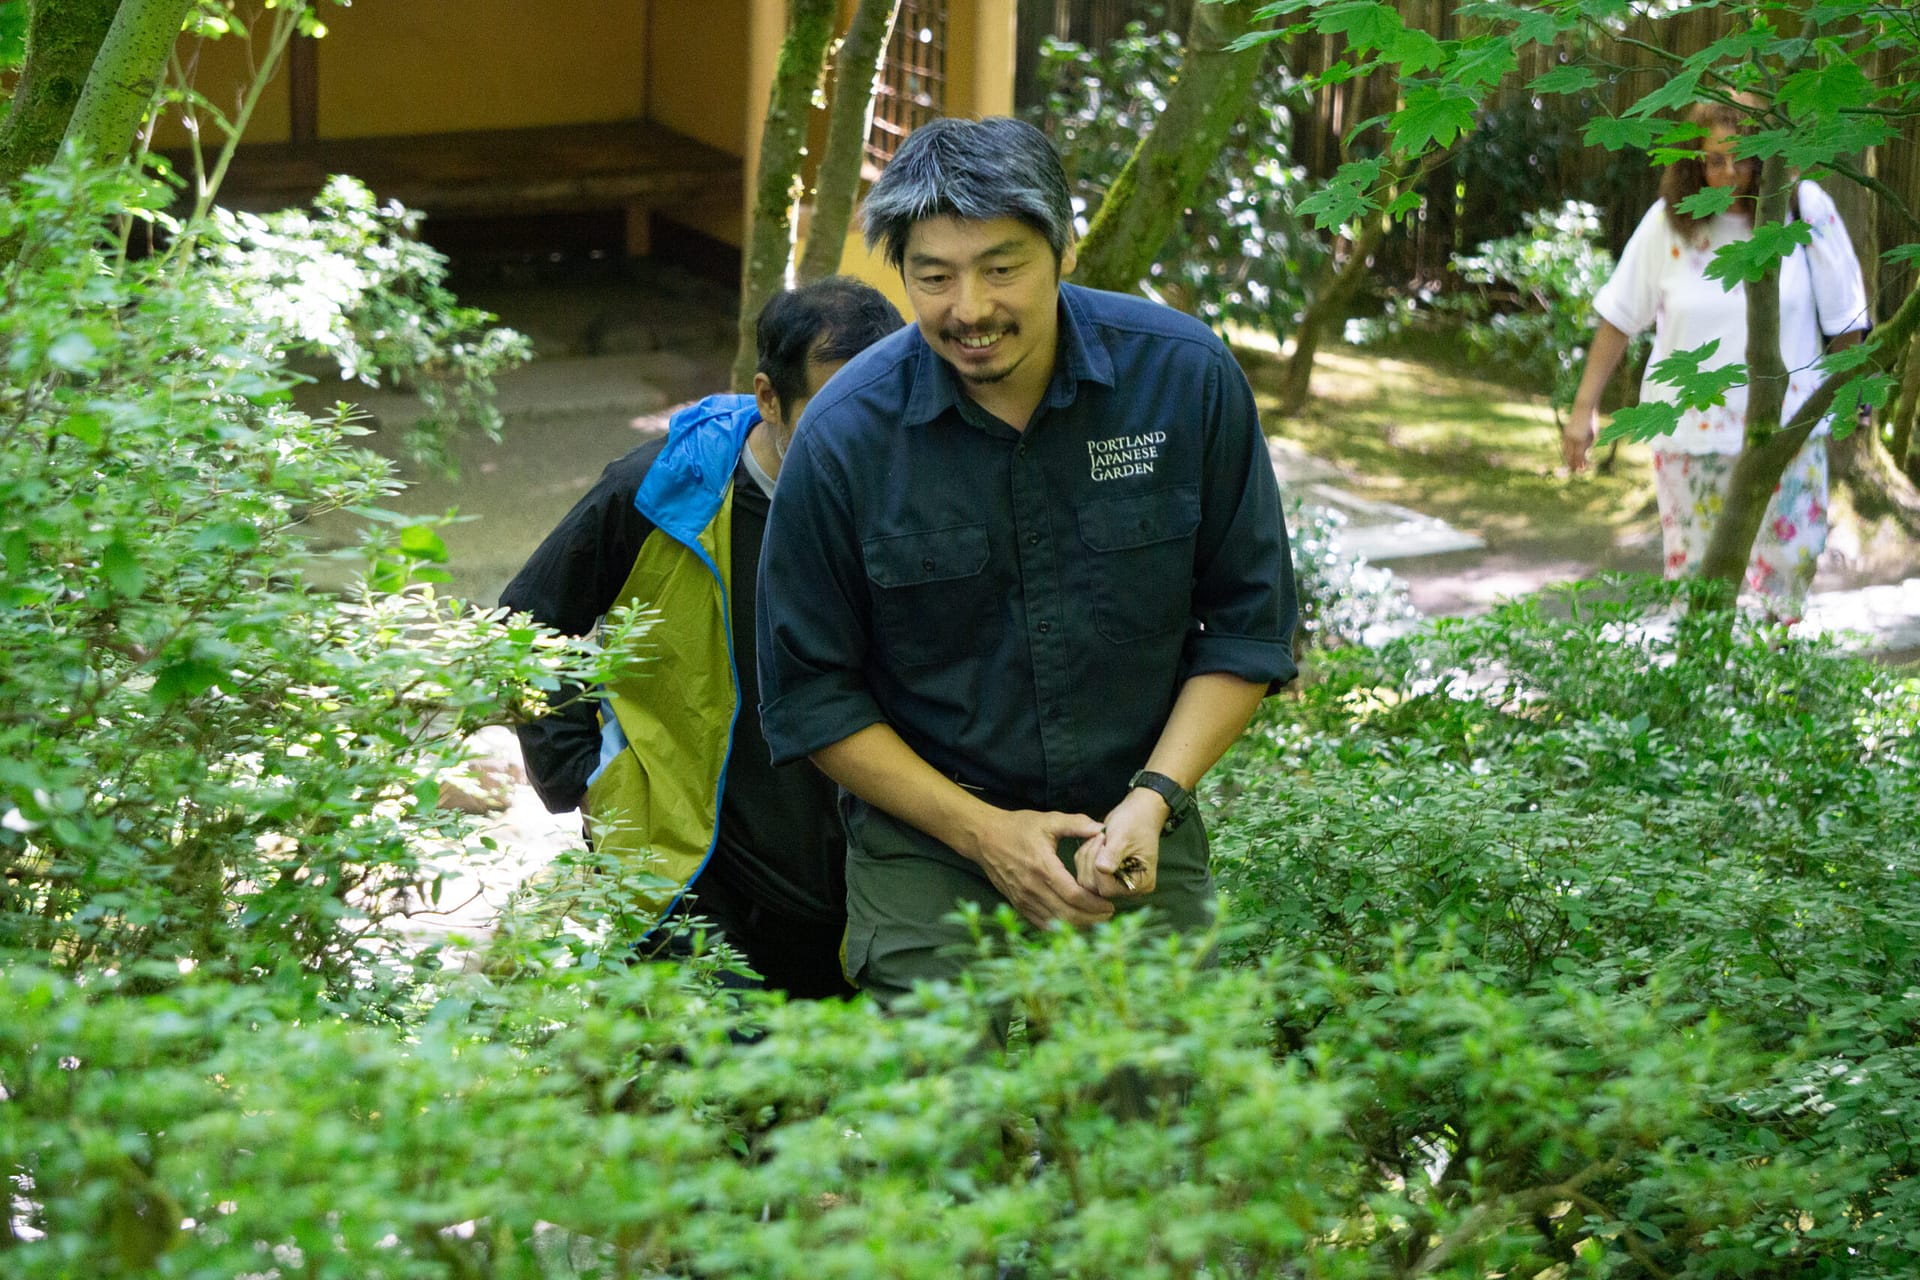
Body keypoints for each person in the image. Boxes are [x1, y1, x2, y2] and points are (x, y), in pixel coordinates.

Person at [755, 117, 1299, 1005]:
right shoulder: (844, 437)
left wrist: (1155, 798)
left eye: (1002, 267)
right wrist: (983, 835)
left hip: (1133, 821)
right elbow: (811, 694)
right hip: (927, 836)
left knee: (1155, 1121)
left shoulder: (1186, 379)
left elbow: (1249, 627)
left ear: (1065, 249)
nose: (969, 308)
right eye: (933, 277)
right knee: (938, 1119)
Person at [500, 277, 902, 999]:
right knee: (714, 1090)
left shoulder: (922, 492)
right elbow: (526, 627)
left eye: (881, 410)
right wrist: (589, 783)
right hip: (693, 870)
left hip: (860, 882)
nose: (861, 438)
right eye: (831, 413)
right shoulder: (663, 487)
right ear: (768, 399)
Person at [1564, 98, 1870, 612]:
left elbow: (1846, 317)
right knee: (1698, 580)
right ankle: (1704, 685)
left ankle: (1772, 680)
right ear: (1692, 162)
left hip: (1786, 432)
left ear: (1766, 156)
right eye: (1714, 161)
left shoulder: (1802, 208)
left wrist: (1850, 396)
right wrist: (1582, 410)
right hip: (1690, 435)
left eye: (1744, 158)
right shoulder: (1668, 224)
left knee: (1790, 564)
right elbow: (1619, 317)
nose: (1730, 174)